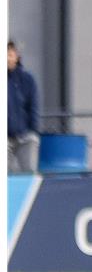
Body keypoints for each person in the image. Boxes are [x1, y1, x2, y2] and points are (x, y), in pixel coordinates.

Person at [8, 41, 40, 173]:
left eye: (10, 54)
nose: (7, 58)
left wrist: (33, 130)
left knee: (29, 173)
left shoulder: (27, 79)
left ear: (17, 56)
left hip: (25, 135)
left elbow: (33, 107)